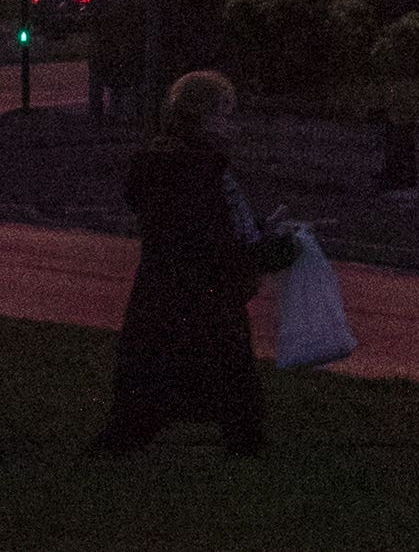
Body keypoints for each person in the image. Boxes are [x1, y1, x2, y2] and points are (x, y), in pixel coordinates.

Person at [97, 67, 294, 455]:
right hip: (197, 295)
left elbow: (217, 227)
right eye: (222, 113)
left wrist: (256, 233)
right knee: (223, 368)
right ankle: (241, 438)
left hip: (170, 295)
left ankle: (135, 433)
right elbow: (207, 238)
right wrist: (261, 254)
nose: (231, 123)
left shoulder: (184, 167)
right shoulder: (192, 172)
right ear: (196, 119)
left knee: (161, 372)